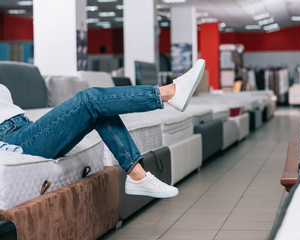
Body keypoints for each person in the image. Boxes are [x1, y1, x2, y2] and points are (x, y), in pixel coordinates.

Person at [0, 59, 205, 199]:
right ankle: (169, 92)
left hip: (25, 129)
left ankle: (137, 174)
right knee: (89, 99)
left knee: (100, 109)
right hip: (16, 141)